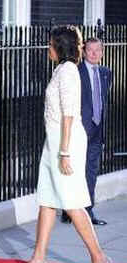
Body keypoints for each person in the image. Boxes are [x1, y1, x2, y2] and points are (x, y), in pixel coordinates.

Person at [11, 26, 110, 263]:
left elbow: (69, 114)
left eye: (50, 44)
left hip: (66, 143)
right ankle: (39, 257)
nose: (47, 48)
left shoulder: (67, 73)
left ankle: (99, 257)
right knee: (47, 199)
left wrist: (64, 152)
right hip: (54, 140)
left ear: (59, 46)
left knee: (72, 202)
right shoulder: (61, 69)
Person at [61, 37, 112, 225]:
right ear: (83, 52)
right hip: (78, 130)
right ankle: (69, 211)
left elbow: (103, 102)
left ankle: (87, 211)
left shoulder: (107, 73)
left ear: (102, 52)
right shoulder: (76, 72)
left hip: (97, 132)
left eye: (97, 50)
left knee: (91, 172)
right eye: (90, 50)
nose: (94, 54)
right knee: (74, 172)